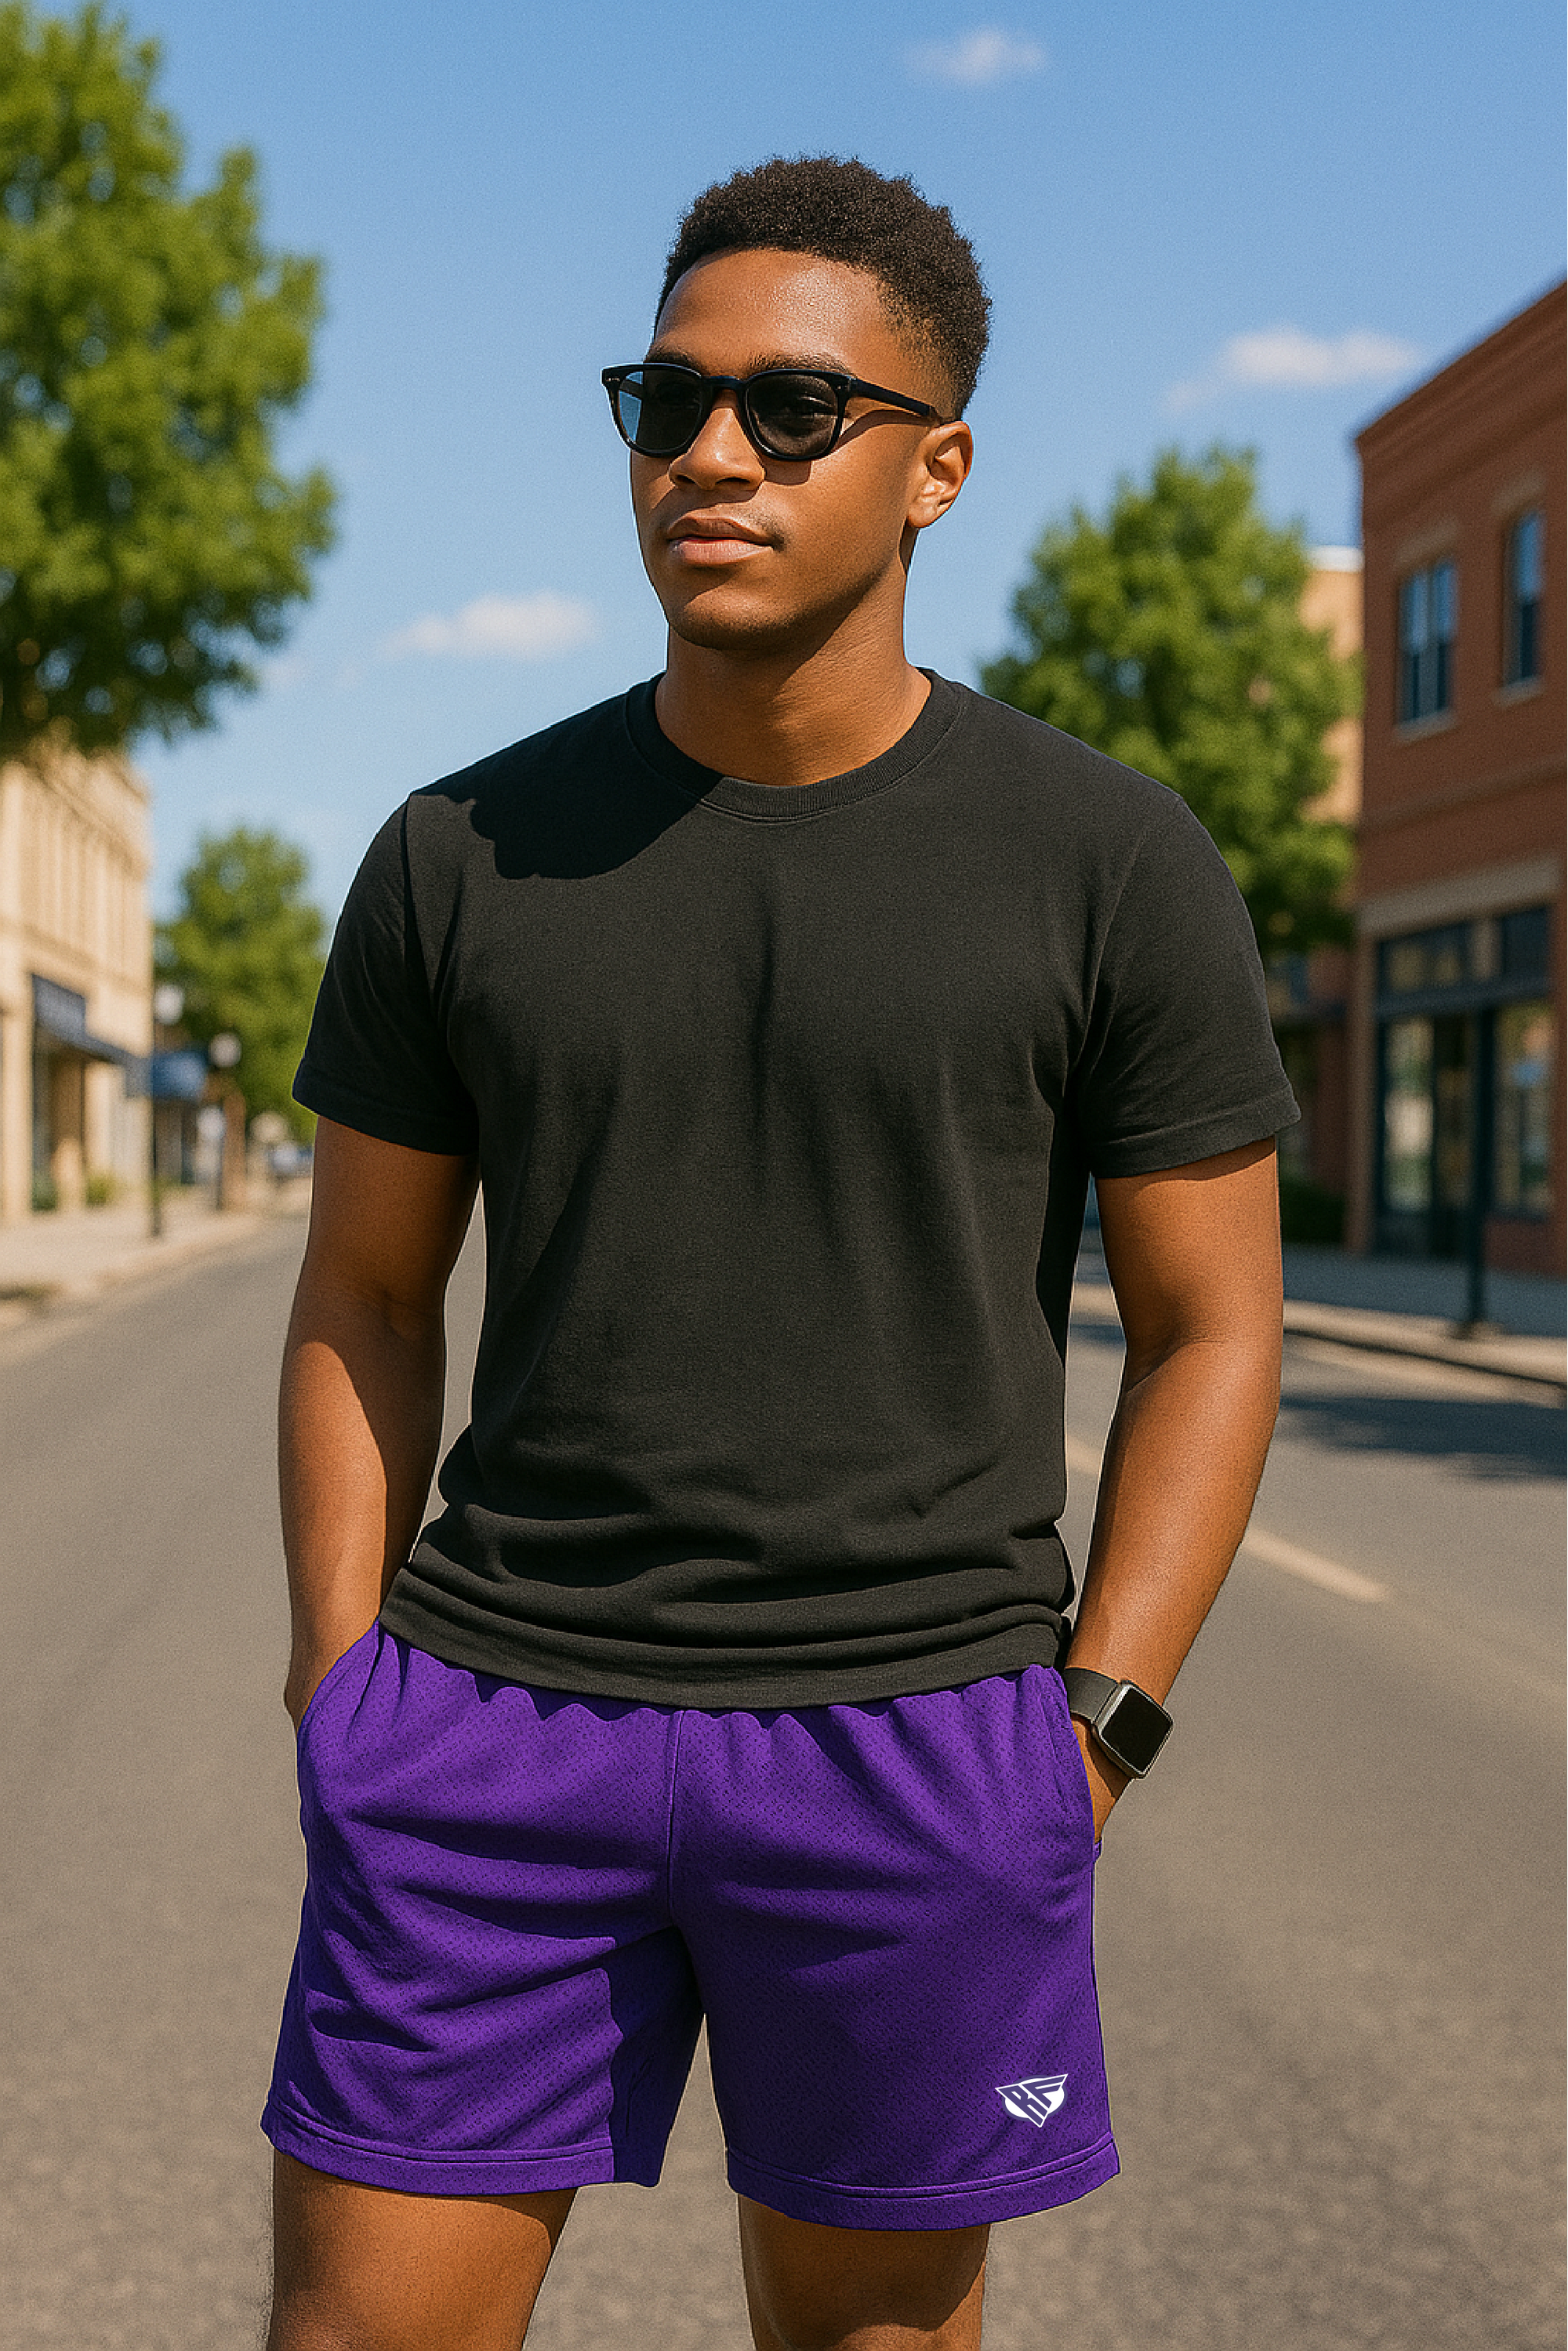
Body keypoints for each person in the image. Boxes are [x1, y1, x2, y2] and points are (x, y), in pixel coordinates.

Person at [263, 155, 1296, 2351]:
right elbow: (362, 1288)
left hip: (916, 1743)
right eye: (667, 399)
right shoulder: (456, 855)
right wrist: (339, 1678)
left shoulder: (1110, 860)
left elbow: (1214, 1326)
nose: (711, 453)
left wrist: (1094, 1721)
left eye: (792, 410)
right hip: (487, 1726)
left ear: (939, 467)